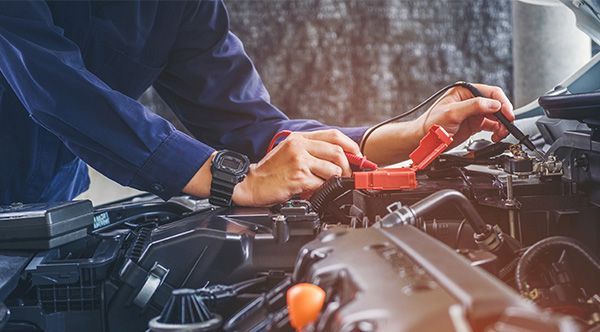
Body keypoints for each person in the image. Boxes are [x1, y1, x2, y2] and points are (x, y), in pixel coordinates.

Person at [0, 1, 514, 207]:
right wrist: (232, 180)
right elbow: (56, 90)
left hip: (46, 213)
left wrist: (420, 132)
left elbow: (249, 126)